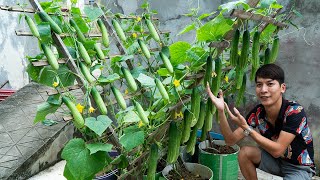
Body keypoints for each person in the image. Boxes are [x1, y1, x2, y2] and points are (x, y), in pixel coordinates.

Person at [206, 64, 315, 179]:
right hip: (275, 161)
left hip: (299, 168)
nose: (263, 90)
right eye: (259, 85)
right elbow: (230, 140)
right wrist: (221, 110)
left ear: (282, 88)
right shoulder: (258, 113)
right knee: (244, 153)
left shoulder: (295, 112)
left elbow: (277, 150)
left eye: (270, 84)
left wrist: (248, 129)